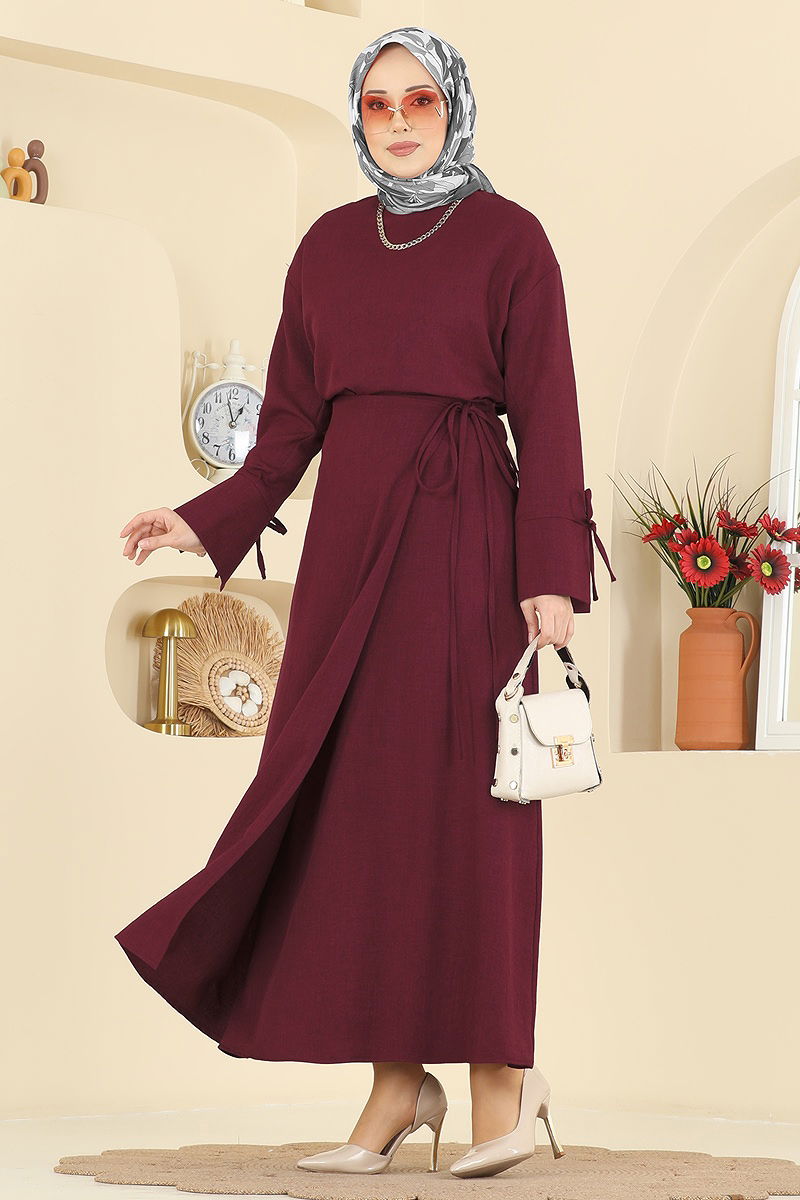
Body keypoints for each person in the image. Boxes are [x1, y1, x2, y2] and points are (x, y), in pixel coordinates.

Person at [115, 24, 614, 1180]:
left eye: (418, 101)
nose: (396, 121)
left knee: (472, 808)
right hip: (349, 552)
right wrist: (203, 519)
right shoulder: (328, 247)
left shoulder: (510, 238)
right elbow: (287, 427)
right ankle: (396, 1088)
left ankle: (500, 1079)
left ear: (453, 109)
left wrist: (547, 578)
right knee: (360, 810)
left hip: (466, 542)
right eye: (377, 103)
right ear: (358, 117)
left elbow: (549, 410)